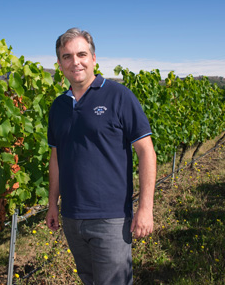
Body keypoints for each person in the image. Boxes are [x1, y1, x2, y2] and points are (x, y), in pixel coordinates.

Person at [46, 28, 157, 285]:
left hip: (111, 218)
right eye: (67, 56)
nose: (75, 62)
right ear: (60, 63)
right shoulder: (58, 107)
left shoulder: (119, 96)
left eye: (81, 54)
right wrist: (53, 203)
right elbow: (56, 157)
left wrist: (145, 208)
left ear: (94, 58)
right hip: (72, 217)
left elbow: (146, 151)